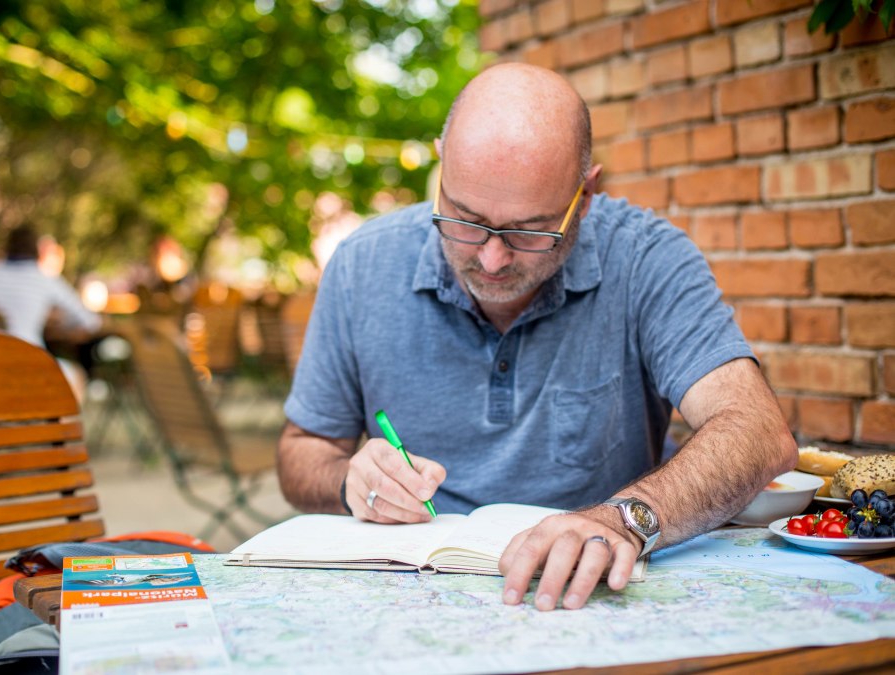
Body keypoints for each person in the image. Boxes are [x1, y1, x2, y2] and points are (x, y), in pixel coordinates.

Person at [276, 64, 797, 611]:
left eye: (529, 231)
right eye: (465, 218)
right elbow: (301, 452)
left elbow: (758, 430)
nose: (491, 258)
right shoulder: (364, 264)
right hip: (410, 595)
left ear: (586, 195)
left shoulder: (646, 258)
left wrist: (624, 518)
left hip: (590, 596)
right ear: (440, 163)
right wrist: (349, 482)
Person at [0, 226, 102, 397]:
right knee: (76, 375)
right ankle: (67, 424)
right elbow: (90, 321)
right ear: (36, 249)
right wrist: (64, 325)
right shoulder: (43, 277)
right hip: (30, 360)